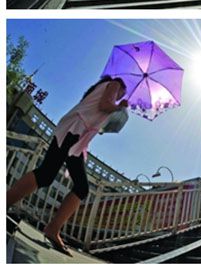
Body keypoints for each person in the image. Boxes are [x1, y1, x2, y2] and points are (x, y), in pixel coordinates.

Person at [7, 76, 128, 255]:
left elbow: (99, 115)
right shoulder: (115, 84)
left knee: (54, 177)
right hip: (73, 131)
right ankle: (51, 228)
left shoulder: (103, 88)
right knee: (64, 180)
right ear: (121, 86)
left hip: (76, 134)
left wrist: (113, 115)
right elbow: (104, 105)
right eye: (120, 94)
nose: (118, 96)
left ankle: (53, 228)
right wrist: (120, 107)